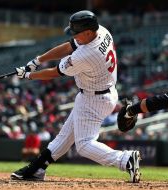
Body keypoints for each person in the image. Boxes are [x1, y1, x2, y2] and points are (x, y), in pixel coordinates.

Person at [10, 10, 141, 183]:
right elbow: (69, 45)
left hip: (95, 99)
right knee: (64, 136)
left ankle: (124, 160)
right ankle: (37, 168)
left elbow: (55, 72)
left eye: (76, 33)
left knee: (84, 145)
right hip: (98, 94)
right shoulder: (101, 31)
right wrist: (37, 61)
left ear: (87, 32)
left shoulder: (86, 55)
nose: (74, 36)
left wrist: (28, 76)